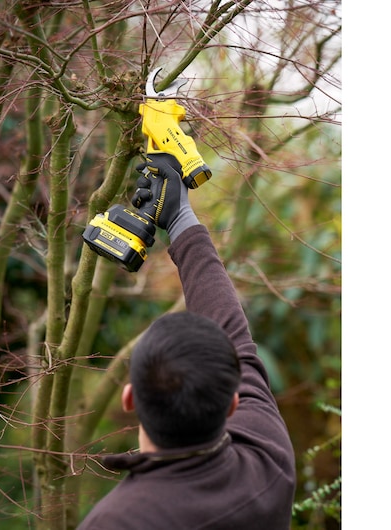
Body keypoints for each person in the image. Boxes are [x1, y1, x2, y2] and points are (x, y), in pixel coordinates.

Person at [77, 154, 296, 529]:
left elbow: (235, 340)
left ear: (129, 399)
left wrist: (181, 220)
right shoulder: (269, 463)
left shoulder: (115, 522)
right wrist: (180, 219)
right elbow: (235, 338)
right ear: (232, 404)